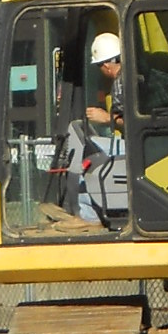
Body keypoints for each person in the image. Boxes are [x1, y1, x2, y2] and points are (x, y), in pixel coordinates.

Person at [59, 29, 127, 226]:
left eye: (99, 66)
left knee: (83, 156)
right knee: (92, 149)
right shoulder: (132, 76)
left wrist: (106, 118)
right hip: (138, 145)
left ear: (106, 65)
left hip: (138, 149)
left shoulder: (123, 81)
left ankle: (87, 216)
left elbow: (137, 120)